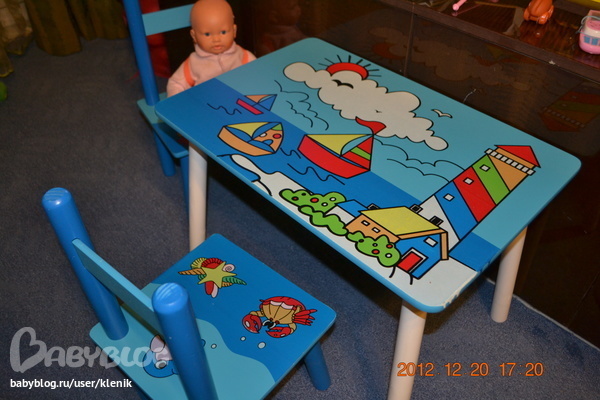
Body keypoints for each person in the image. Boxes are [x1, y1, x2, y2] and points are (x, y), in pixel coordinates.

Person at [166, 0, 256, 97]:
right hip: (207, 102)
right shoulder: (193, 63)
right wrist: (179, 101)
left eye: (223, 32)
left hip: (239, 98)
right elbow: (175, 83)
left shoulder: (242, 55)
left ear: (234, 31)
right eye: (207, 34)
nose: (216, 39)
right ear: (194, 36)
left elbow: (258, 71)